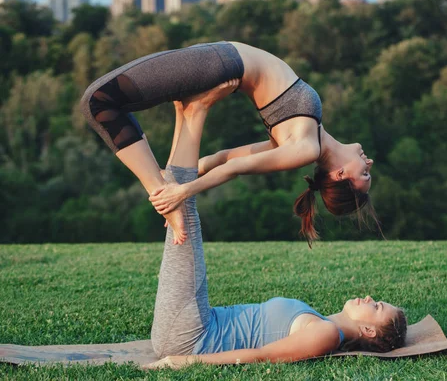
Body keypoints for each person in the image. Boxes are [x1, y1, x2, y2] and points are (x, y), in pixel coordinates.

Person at [144, 90, 406, 369]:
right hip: (198, 322)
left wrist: (180, 362)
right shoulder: (321, 323)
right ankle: (185, 109)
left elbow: (262, 357)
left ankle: (191, 110)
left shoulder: (326, 334)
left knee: (184, 207)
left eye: (376, 306)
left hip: (192, 338)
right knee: (182, 206)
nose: (369, 297)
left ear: (369, 331)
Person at [81, 42, 376, 246]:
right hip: (219, 57)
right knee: (100, 100)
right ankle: (160, 185)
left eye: (364, 174)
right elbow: (222, 158)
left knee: (98, 101)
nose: (369, 163)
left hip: (221, 62)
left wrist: (181, 192)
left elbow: (236, 167)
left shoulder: (306, 148)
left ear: (339, 174)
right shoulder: (311, 134)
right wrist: (180, 175)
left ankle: (158, 193)